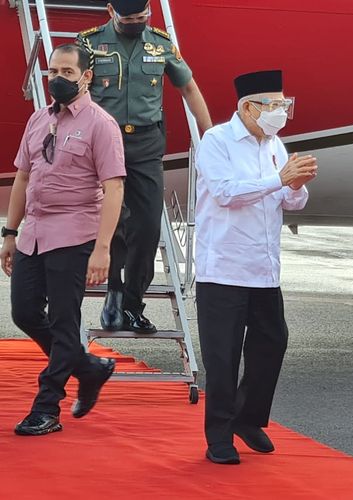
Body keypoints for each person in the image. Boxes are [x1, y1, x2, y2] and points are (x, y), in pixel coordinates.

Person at [0, 44, 125, 435]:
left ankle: (47, 407)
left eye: (68, 72)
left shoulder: (101, 124)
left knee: (64, 322)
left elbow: (115, 187)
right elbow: (23, 177)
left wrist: (102, 249)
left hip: (74, 234)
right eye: (53, 70)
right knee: (23, 312)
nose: (58, 79)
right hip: (33, 233)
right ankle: (88, 368)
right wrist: (9, 231)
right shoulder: (39, 119)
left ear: (86, 76)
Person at [194, 70, 316, 465]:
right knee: (223, 356)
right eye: (274, 105)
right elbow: (227, 192)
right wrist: (278, 178)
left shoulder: (275, 145)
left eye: (284, 104)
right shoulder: (217, 141)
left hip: (263, 268)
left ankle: (247, 418)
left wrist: (295, 185)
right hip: (224, 269)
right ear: (248, 107)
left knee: (271, 343)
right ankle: (219, 437)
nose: (280, 112)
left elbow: (291, 202)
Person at [77, 0, 212, 333]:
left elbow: (189, 88)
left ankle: (133, 304)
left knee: (149, 225)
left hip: (147, 144)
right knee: (116, 221)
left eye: (143, 16)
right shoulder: (90, 43)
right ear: (111, 12)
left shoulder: (160, 43)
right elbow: (77, 92)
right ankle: (114, 294)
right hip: (106, 142)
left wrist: (210, 136)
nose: (137, 22)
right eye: (130, 18)